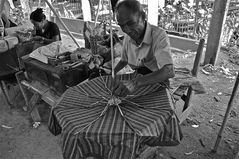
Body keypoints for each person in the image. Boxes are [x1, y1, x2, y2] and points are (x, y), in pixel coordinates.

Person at [113, 0, 175, 97]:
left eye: (130, 23)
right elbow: (124, 60)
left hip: (158, 80)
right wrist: (113, 72)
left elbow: (169, 71)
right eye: (122, 26)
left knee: (150, 110)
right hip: (138, 77)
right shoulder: (128, 37)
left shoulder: (159, 35)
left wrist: (134, 83)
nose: (126, 30)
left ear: (143, 17)